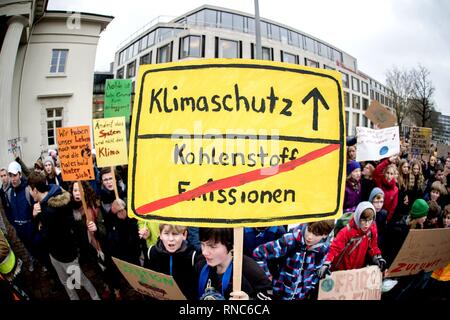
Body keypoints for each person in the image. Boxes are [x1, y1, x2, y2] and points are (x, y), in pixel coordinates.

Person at [27, 171, 100, 300]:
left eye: (30, 190)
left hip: (66, 257)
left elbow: (44, 235)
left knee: (79, 281)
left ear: (35, 190)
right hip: (56, 255)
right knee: (66, 282)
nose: (29, 192)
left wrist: (36, 217)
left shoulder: (49, 211)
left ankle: (95, 297)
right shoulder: (54, 194)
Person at [252, 220, 334, 300]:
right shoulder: (289, 240)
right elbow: (259, 253)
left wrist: (310, 287)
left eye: (316, 234)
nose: (310, 236)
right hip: (278, 293)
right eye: (309, 230)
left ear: (325, 235)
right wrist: (267, 278)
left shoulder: (323, 249)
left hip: (301, 296)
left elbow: (316, 271)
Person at [97, 166, 140, 300]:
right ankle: (116, 290)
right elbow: (105, 224)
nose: (109, 182)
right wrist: (111, 212)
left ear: (116, 178)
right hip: (114, 241)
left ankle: (137, 286)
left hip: (129, 238)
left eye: (111, 178)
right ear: (102, 181)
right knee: (114, 268)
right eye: (105, 180)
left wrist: (126, 215)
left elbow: (135, 218)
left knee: (133, 265)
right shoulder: (102, 197)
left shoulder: (126, 191)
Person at [196, 228, 272, 300]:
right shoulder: (201, 263)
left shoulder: (249, 269)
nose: (204, 252)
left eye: (212, 247)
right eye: (202, 244)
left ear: (232, 245)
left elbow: (270, 295)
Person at [317, 202, 385, 276]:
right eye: (363, 220)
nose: (367, 224)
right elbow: (334, 248)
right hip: (341, 269)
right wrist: (326, 263)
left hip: (357, 268)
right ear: (358, 217)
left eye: (370, 220)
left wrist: (377, 257)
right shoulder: (346, 231)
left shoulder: (372, 228)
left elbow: (373, 245)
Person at [146, 224, 197, 299]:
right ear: (160, 235)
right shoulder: (151, 252)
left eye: (175, 234)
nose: (171, 239)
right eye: (166, 233)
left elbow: (194, 288)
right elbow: (147, 281)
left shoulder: (192, 257)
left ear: (184, 235)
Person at [4, 162, 36, 272]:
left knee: (36, 245)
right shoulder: (8, 193)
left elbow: (35, 208)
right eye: (10, 176)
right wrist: (14, 224)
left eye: (15, 175)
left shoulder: (28, 190)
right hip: (19, 229)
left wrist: (34, 223)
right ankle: (32, 259)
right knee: (27, 246)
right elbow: (8, 211)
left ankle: (42, 261)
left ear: (20, 175)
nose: (13, 179)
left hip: (31, 227)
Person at [373, 156, 399, 222]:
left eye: (391, 174)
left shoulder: (395, 189)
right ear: (384, 173)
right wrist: (388, 161)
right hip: (374, 212)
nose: (389, 176)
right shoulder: (380, 181)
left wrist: (387, 219)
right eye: (387, 173)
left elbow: (393, 207)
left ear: (394, 175)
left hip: (384, 216)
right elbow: (376, 171)